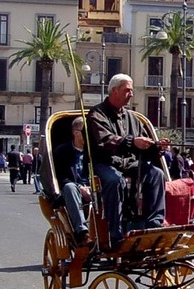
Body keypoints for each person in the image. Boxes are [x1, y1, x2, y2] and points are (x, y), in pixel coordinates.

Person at [87, 73, 166, 248]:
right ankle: (115, 235)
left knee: (156, 174)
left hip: (129, 164)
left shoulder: (133, 117)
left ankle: (155, 224)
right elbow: (105, 140)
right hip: (105, 163)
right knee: (115, 181)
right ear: (115, 91)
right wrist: (132, 141)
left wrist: (156, 146)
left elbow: (144, 145)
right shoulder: (96, 114)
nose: (131, 94)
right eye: (128, 90)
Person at [53, 117, 91, 245]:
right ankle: (82, 232)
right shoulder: (61, 152)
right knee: (70, 187)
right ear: (76, 133)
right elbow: (61, 178)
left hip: (93, 187)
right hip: (72, 189)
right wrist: (80, 188)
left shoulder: (94, 152)